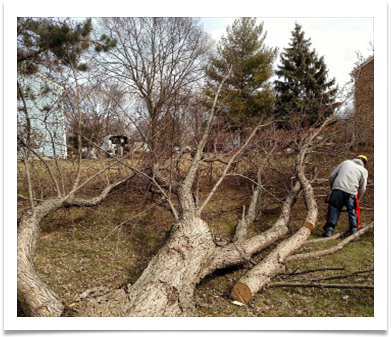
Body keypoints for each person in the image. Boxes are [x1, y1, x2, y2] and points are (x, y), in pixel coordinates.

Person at [323, 155, 369, 239]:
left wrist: (333, 189)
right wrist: (357, 199)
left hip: (337, 189)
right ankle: (354, 234)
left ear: (356, 158)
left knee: (334, 209)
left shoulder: (345, 162)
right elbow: (362, 188)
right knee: (353, 212)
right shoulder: (364, 171)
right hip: (351, 192)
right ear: (365, 163)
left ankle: (328, 231)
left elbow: (331, 177)